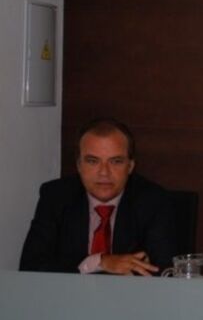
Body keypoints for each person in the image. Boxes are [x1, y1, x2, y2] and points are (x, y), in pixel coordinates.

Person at [20, 118, 177, 275]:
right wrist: (100, 262)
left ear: (130, 166)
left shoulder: (154, 201)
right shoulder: (56, 196)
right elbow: (30, 267)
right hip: (67, 297)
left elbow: (165, 272)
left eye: (116, 162)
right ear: (79, 165)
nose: (104, 173)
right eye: (92, 161)